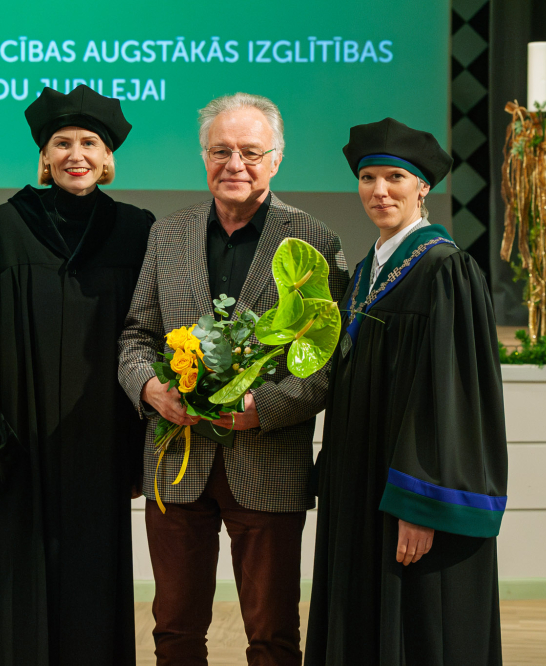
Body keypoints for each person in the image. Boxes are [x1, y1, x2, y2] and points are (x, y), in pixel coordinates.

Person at [118, 92, 349, 666]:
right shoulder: (167, 234)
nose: (234, 164)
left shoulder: (314, 240)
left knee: (273, 636)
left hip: (268, 461)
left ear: (276, 159)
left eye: (250, 151)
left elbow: (327, 362)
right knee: (174, 631)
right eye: (220, 151)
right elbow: (136, 335)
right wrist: (149, 388)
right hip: (176, 462)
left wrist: (263, 407)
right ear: (204, 157)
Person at [0, 84, 153, 666]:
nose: (75, 154)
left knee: (96, 584)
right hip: (21, 447)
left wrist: (139, 450)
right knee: (24, 587)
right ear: (44, 155)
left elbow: (151, 338)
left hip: (104, 444)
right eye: (62, 143)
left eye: (89, 143)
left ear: (107, 157)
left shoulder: (137, 231)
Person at [304, 118, 508, 666]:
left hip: (409, 495)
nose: (380, 191)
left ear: (423, 187)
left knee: (418, 630)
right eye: (368, 178)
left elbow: (450, 400)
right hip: (362, 488)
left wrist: (421, 504)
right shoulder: (366, 271)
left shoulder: (446, 270)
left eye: (395, 177)